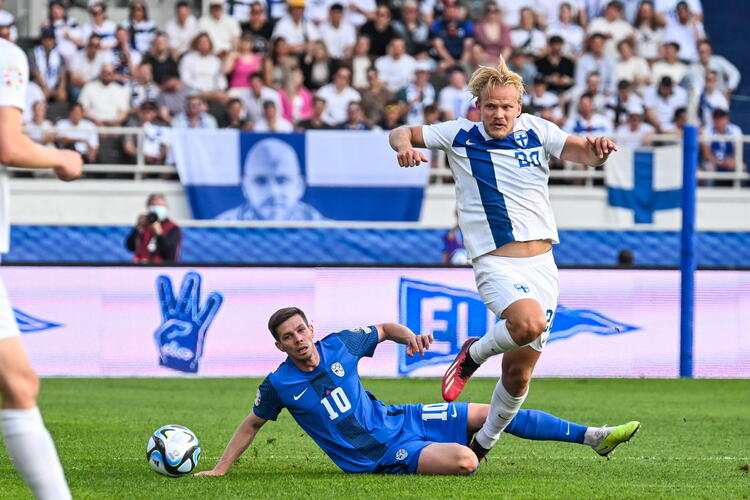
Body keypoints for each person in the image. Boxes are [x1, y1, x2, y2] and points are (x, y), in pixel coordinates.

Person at [388, 58, 619, 460]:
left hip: (544, 264)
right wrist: (405, 146)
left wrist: (598, 151)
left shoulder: (537, 130)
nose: (499, 114)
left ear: (519, 107)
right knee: (527, 323)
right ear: (478, 105)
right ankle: (472, 354)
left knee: (518, 373)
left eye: (507, 106)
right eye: (491, 106)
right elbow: (399, 131)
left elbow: (582, 152)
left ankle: (482, 445)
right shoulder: (459, 135)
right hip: (496, 262)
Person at [196, 308, 640, 476]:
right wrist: (219, 470)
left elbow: (385, 328)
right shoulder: (279, 384)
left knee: (489, 410)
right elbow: (252, 423)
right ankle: (442, 449)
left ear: (311, 329)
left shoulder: (339, 344)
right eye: (288, 337)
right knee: (466, 462)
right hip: (376, 456)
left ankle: (593, 438)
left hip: (399, 417)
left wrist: (408, 337)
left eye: (301, 330)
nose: (298, 340)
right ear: (280, 346)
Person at [0, 35, 82, 500]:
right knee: (19, 384)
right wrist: (61, 157)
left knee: (18, 383)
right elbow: (8, 145)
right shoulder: (6, 55)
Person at [217, 138, 324, 220]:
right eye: (260, 181)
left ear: (300, 187)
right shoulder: (220, 230)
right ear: (245, 187)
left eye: (282, 180)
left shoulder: (326, 232)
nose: (273, 192)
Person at [125, 193, 181, 263]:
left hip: (162, 268)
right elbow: (130, 247)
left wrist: (159, 234)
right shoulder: (143, 225)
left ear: (166, 207)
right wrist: (137, 229)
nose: (157, 208)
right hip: (141, 266)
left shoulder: (172, 227)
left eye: (160, 205)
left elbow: (170, 252)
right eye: (154, 205)